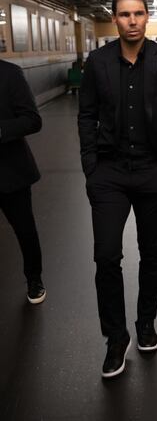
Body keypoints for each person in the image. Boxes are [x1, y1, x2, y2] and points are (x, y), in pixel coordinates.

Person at [78, 0, 157, 379]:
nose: (132, 21)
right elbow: (86, 114)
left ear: (147, 17)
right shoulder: (98, 62)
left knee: (152, 253)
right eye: (124, 15)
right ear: (115, 19)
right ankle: (115, 338)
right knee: (106, 256)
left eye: (138, 13)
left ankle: (145, 323)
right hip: (109, 172)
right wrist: (90, 165)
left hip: (153, 172)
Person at [0, 60, 46, 304]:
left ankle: (34, 279)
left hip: (10, 172)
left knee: (25, 230)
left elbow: (32, 119)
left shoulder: (10, 73)